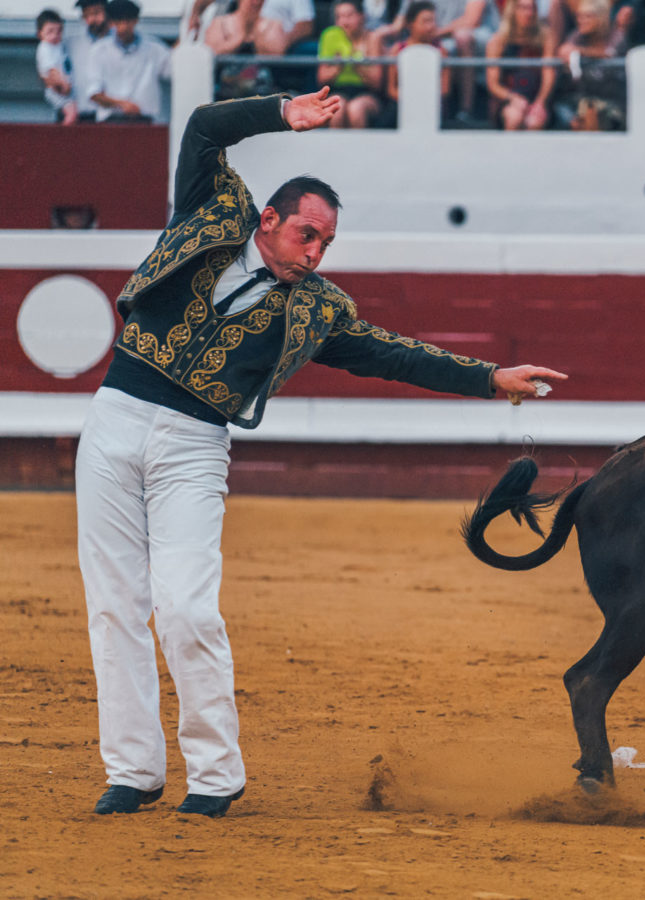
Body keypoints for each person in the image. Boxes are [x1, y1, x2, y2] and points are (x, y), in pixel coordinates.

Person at [79, 87, 566, 819]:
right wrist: (282, 114)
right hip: (114, 418)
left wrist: (490, 379)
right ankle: (134, 769)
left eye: (327, 244)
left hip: (193, 444)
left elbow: (391, 356)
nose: (315, 254)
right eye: (306, 235)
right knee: (115, 605)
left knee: (186, 608)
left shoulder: (317, 308)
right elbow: (206, 127)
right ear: (268, 221)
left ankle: (214, 776)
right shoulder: (211, 210)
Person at [87, 0, 172, 123]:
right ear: (111, 23)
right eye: (118, 22)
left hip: (144, 121)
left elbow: (175, 71)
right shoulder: (99, 51)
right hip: (110, 122)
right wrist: (122, 104)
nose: (123, 27)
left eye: (127, 21)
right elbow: (94, 93)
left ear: (135, 21)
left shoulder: (154, 49)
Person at [557, 0, 630, 131]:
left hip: (614, 103)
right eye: (579, 16)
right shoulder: (578, 36)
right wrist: (566, 52)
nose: (581, 20)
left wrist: (581, 51)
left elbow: (610, 54)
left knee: (591, 113)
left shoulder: (616, 36)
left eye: (587, 16)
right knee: (579, 115)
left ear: (601, 17)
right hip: (582, 100)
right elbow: (565, 50)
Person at [485, 0, 558, 130]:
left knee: (534, 121)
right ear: (512, 11)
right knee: (514, 116)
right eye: (523, 8)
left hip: (537, 98)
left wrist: (540, 102)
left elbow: (548, 73)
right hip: (508, 99)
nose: (528, 13)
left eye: (532, 9)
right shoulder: (498, 41)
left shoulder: (545, 37)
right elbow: (493, 84)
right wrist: (513, 98)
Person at [317, 0, 387, 128]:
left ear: (362, 16)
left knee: (356, 109)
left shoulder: (373, 38)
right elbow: (322, 78)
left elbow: (377, 83)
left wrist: (356, 64)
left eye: (349, 16)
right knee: (338, 108)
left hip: (367, 94)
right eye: (339, 17)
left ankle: (361, 148)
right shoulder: (329, 35)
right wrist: (340, 65)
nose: (344, 22)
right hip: (338, 90)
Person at [203, 0, 288, 100]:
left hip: (263, 94)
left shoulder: (273, 24)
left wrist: (257, 34)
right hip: (225, 93)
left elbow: (278, 54)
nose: (256, 3)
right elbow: (210, 52)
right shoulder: (220, 22)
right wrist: (240, 37)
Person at [386, 1, 452, 113]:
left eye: (433, 21)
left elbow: (444, 89)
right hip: (401, 106)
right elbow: (392, 89)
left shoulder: (441, 51)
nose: (431, 26)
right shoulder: (397, 50)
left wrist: (424, 100)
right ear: (411, 24)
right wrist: (410, 100)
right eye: (425, 21)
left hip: (432, 108)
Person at [68, 0, 110, 121]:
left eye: (97, 13)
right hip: (79, 115)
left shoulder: (119, 44)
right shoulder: (71, 44)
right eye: (87, 15)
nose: (92, 19)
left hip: (110, 117)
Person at [35, 9, 78, 126]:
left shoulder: (57, 46)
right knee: (71, 113)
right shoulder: (45, 48)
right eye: (50, 32)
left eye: (59, 31)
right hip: (57, 90)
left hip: (64, 88)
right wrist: (63, 85)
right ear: (39, 33)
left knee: (73, 112)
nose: (55, 35)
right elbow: (52, 70)